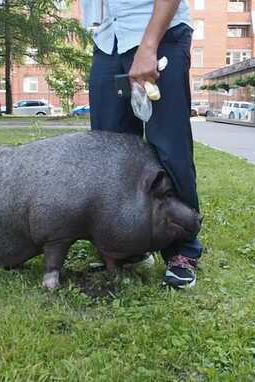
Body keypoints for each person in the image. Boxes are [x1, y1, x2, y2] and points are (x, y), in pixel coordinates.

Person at [85, 0, 201, 289]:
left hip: (158, 35)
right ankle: (129, 246)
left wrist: (149, 46)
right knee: (110, 151)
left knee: (170, 147)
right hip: (108, 40)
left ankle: (181, 250)